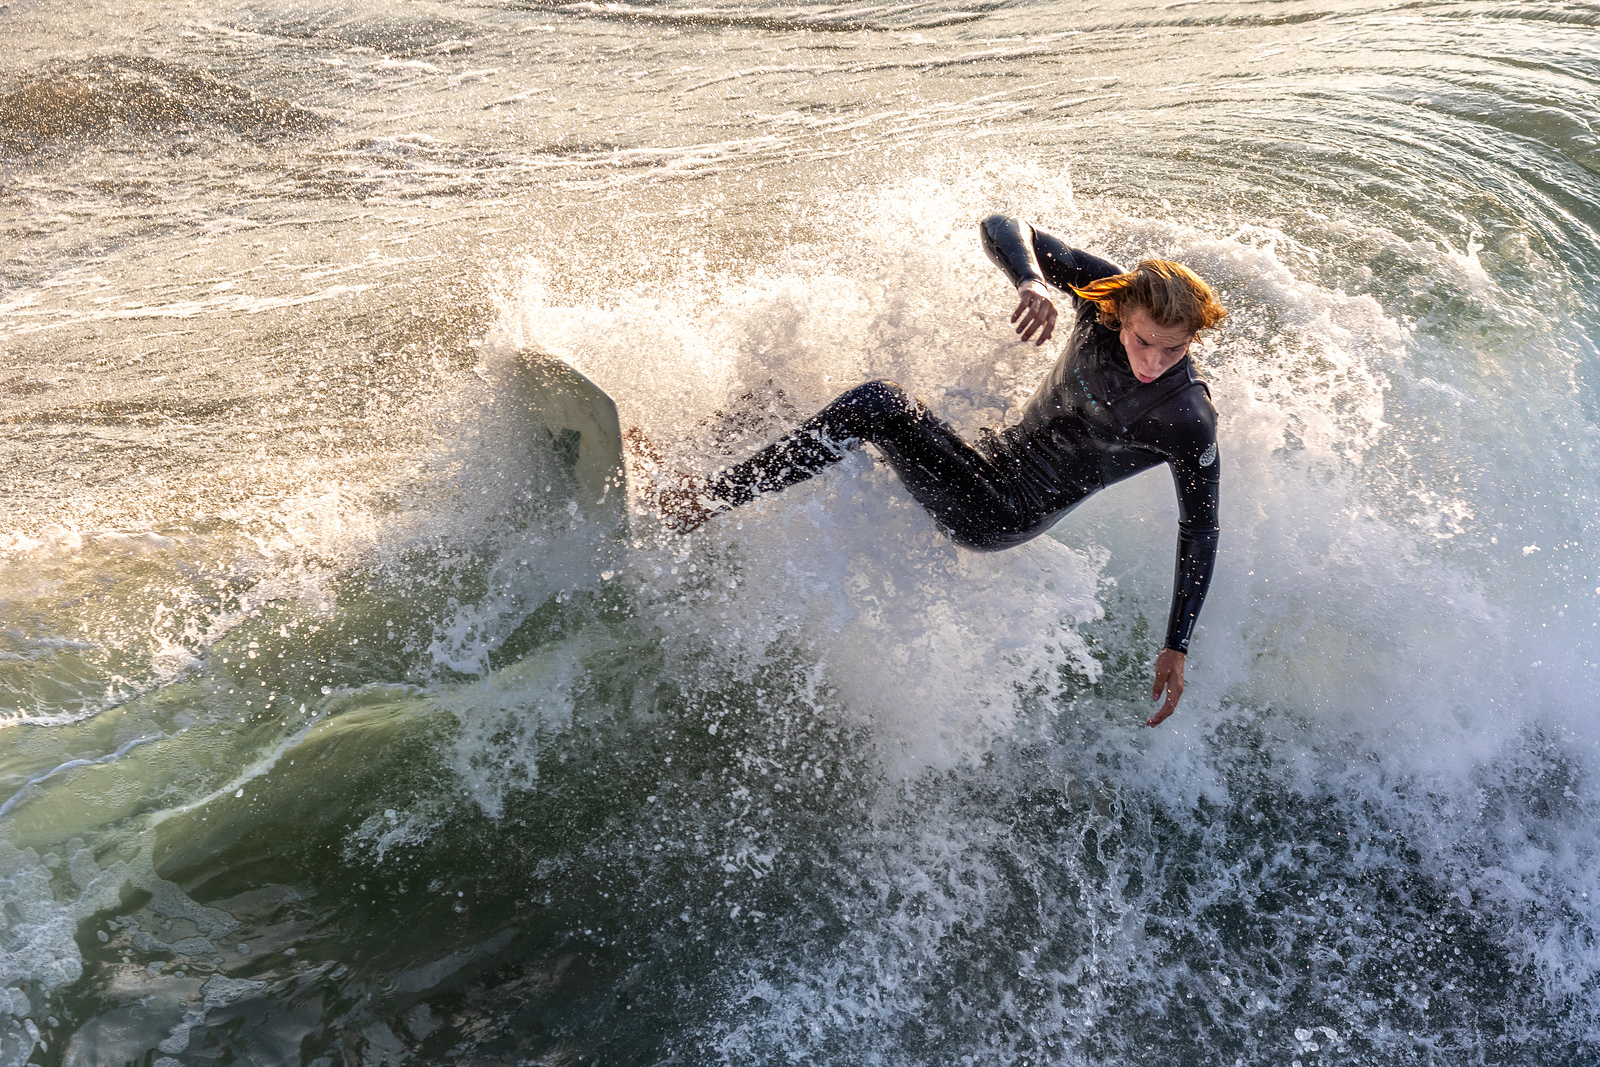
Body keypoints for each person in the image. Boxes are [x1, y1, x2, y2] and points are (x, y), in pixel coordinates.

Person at [631, 214, 1225, 726]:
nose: (1154, 361)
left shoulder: (1185, 415)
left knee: (877, 405)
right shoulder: (1103, 291)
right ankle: (689, 461)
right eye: (1145, 342)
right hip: (983, 459)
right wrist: (1032, 282)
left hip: (1000, 512)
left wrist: (1176, 644)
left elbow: (1200, 527)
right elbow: (1001, 224)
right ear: (1119, 312)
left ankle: (695, 504)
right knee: (786, 397)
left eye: (1174, 349)